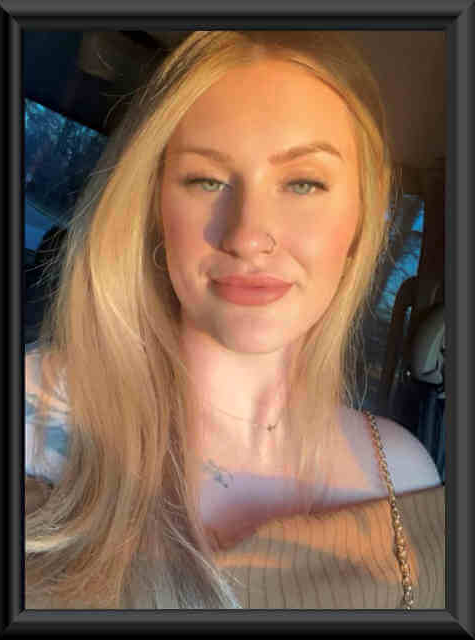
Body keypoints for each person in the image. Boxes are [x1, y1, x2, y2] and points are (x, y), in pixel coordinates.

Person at [25, 30, 444, 610]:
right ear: (155, 209)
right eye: (206, 180)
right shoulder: (34, 414)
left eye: (303, 183)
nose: (247, 236)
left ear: (359, 216)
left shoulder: (405, 477)